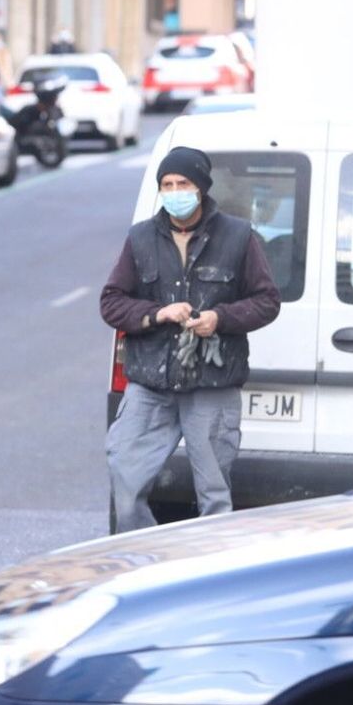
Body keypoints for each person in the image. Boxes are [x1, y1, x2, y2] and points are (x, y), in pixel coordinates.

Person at [100, 146, 281, 532]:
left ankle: (211, 565)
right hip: (151, 383)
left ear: (201, 188)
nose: (174, 192)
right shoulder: (140, 238)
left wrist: (220, 318)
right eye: (167, 184)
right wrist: (156, 314)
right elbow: (111, 302)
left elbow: (267, 301)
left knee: (214, 497)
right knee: (125, 478)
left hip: (211, 385)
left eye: (182, 183)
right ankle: (146, 556)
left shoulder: (238, 236)